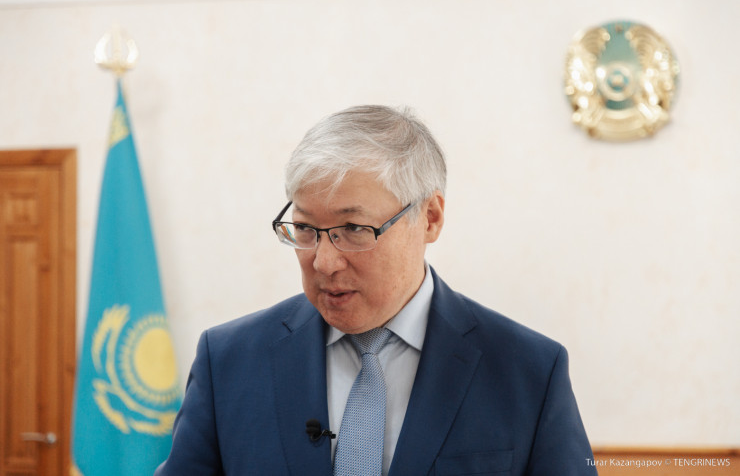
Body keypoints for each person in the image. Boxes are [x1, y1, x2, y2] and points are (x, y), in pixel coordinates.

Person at [155, 105, 597, 476]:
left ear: (430, 218)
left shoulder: (529, 371)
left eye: (353, 228)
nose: (324, 262)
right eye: (306, 229)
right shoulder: (228, 361)